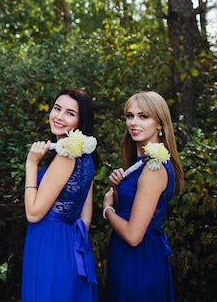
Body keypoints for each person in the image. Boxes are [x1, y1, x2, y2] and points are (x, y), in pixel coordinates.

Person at [103, 91, 183, 302]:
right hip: (127, 257)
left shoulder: (154, 168)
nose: (134, 122)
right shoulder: (143, 163)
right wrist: (119, 188)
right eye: (130, 116)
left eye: (143, 116)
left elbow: (133, 235)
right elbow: (133, 211)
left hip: (139, 262)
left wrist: (107, 209)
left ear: (160, 124)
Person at [22, 88, 99, 302]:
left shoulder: (66, 157)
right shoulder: (86, 155)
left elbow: (34, 213)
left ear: (80, 122)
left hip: (49, 242)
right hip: (72, 244)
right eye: (57, 108)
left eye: (70, 113)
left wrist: (31, 164)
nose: (59, 116)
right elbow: (86, 217)